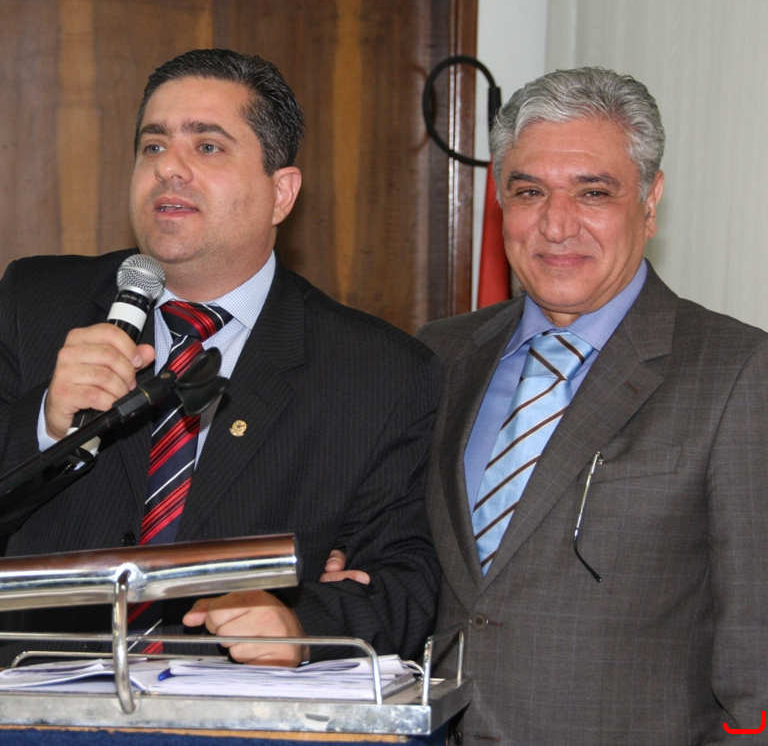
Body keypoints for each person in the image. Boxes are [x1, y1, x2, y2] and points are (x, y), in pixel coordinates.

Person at [0, 49, 440, 667]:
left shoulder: (381, 373)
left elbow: (409, 582)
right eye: (153, 146)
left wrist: (301, 622)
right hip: (37, 699)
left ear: (281, 194)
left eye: (207, 147)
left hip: (236, 709)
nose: (168, 168)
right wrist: (46, 423)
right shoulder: (35, 304)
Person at [416, 67, 768, 743]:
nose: (556, 225)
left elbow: (758, 640)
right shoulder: (440, 353)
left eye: (593, 192)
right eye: (529, 192)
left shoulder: (737, 370)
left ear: (650, 201)